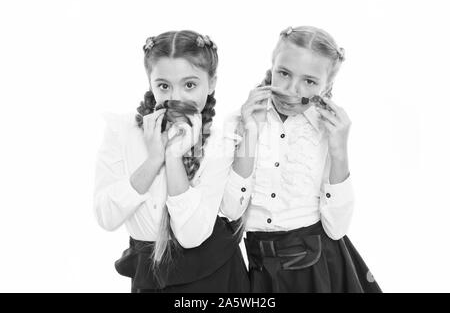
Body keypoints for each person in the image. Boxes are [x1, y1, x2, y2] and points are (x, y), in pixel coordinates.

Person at [221, 26, 382, 293]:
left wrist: (339, 149)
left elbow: (337, 227)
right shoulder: (238, 122)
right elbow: (231, 212)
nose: (292, 90)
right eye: (284, 73)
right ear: (272, 67)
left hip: (320, 266)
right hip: (260, 268)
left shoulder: (328, 131)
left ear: (326, 86)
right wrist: (250, 133)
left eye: (309, 81)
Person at [93, 30, 249, 293]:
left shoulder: (220, 143)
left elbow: (191, 236)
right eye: (164, 86)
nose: (176, 97)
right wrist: (153, 160)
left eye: (190, 85)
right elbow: (106, 217)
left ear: (211, 83)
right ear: (150, 82)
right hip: (150, 273)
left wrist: (173, 156)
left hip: (215, 275)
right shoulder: (122, 131)